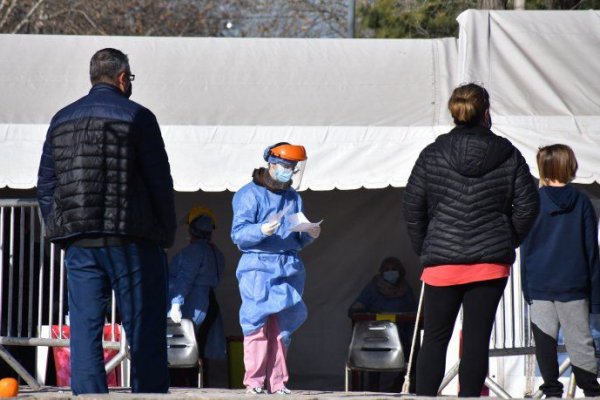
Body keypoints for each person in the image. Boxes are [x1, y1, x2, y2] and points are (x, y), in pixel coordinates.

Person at [37, 48, 176, 395]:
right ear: (121, 77)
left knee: (84, 328)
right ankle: (148, 393)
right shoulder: (139, 116)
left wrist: (60, 229)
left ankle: (88, 394)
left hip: (81, 242)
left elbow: (46, 184)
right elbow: (159, 181)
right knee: (143, 325)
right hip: (132, 239)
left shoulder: (61, 118)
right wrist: (165, 231)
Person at [403, 82, 539, 396]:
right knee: (477, 340)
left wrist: (426, 246)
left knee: (435, 339)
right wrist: (506, 240)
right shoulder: (509, 154)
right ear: (485, 112)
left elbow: (412, 205)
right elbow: (529, 204)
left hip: (441, 263)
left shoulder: (432, 153)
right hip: (489, 263)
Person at [231, 142, 320, 395]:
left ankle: (279, 382)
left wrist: (310, 233)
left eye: (293, 167)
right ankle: (255, 382)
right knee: (256, 326)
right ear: (271, 163)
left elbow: (296, 235)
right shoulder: (249, 194)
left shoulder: (293, 197)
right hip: (257, 266)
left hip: (288, 267)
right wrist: (260, 230)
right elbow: (238, 235)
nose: (289, 171)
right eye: (285, 166)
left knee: (282, 329)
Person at [520, 144, 600, 397]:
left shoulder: (533, 202)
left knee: (544, 340)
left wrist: (526, 285)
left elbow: (526, 249)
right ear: (570, 166)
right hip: (574, 283)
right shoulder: (582, 203)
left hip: (540, 283)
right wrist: (596, 294)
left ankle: (552, 391)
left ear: (543, 167)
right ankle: (591, 390)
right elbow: (591, 251)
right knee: (580, 340)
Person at [168, 205, 226, 386]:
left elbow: (184, 279)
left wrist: (176, 303)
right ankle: (197, 385)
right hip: (210, 304)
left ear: (192, 229)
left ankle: (183, 387)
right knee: (199, 349)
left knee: (183, 348)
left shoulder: (192, 252)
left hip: (192, 304)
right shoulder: (216, 253)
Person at [348, 257, 417, 392]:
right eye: (386, 269)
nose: (390, 272)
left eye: (394, 269)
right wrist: (359, 308)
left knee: (416, 354)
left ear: (400, 271)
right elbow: (353, 310)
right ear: (381, 272)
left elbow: (414, 311)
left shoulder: (405, 288)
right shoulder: (373, 287)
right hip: (375, 337)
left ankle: (399, 386)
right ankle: (371, 390)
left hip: (400, 337)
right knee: (372, 353)